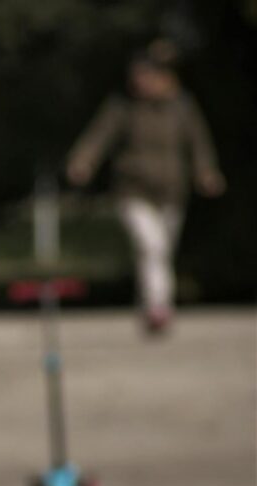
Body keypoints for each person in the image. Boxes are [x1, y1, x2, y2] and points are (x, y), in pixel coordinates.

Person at [67, 41, 225, 333]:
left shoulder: (181, 106)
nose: (139, 81)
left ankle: (150, 304)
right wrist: (83, 161)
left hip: (171, 190)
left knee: (160, 252)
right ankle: (159, 308)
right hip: (133, 189)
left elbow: (198, 142)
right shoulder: (123, 106)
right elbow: (99, 135)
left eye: (144, 75)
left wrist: (206, 171)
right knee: (151, 246)